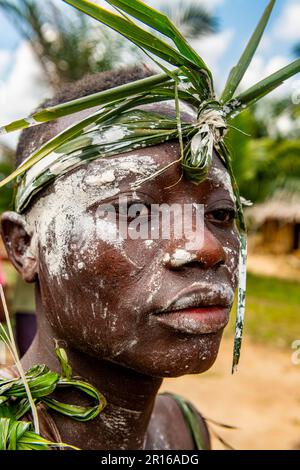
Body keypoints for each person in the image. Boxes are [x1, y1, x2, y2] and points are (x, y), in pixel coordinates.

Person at [0, 66, 239, 450]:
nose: (207, 248)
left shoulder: (183, 431)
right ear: (25, 246)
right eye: (135, 213)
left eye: (221, 214)